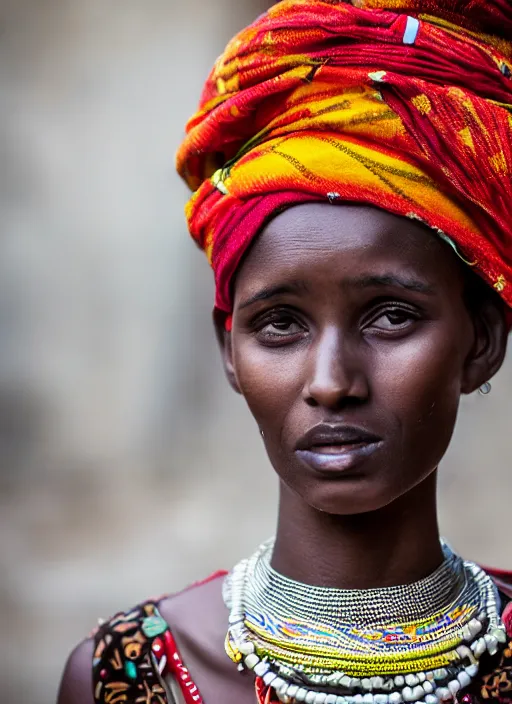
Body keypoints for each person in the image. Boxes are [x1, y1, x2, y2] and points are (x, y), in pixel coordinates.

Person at [57, 1, 512, 702]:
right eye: (280, 324)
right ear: (230, 352)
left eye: (391, 317)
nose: (331, 383)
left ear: (481, 341)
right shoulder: (133, 675)